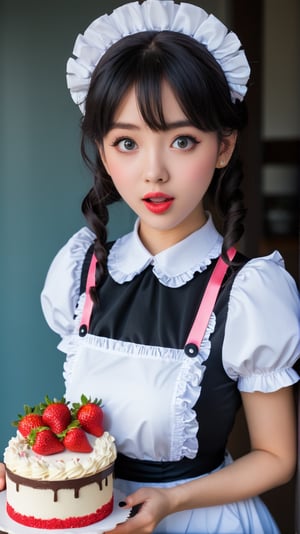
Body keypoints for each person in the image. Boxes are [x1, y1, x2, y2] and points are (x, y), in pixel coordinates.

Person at [1, 1, 300, 532]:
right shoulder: (79, 275)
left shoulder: (250, 292)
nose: (154, 172)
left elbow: (277, 458)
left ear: (223, 146)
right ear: (103, 150)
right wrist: (36, 472)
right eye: (127, 143)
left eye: (182, 140)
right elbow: (80, 433)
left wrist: (171, 503)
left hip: (201, 521)